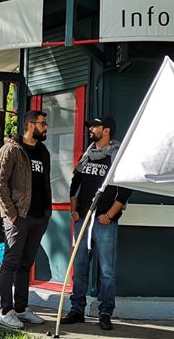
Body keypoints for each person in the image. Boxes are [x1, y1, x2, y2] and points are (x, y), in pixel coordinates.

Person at [60, 116, 130, 331]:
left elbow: (125, 189)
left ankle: (105, 313)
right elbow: (75, 183)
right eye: (90, 126)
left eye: (95, 126)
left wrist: (109, 216)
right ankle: (77, 310)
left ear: (106, 130)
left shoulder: (117, 157)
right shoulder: (87, 154)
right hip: (83, 220)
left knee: (107, 270)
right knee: (79, 267)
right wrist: (73, 209)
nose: (90, 129)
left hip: (104, 223)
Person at [0, 110, 52, 329]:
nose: (46, 127)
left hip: (38, 217)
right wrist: (12, 213)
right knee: (10, 263)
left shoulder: (43, 151)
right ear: (29, 125)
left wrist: (47, 211)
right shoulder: (11, 150)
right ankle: (5, 311)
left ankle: (21, 308)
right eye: (42, 123)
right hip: (19, 217)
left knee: (26, 265)